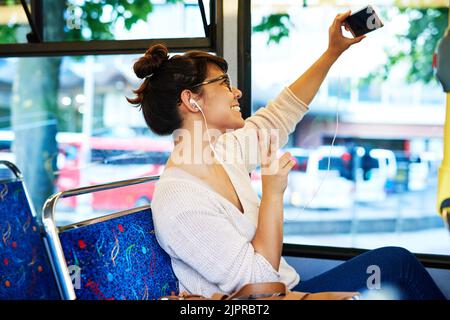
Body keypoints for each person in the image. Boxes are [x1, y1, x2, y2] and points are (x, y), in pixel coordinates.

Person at [127, 11, 446, 300]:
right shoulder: (180, 202)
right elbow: (258, 282)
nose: (236, 92)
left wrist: (332, 52)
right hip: (268, 300)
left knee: (395, 262)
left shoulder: (225, 153)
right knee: (397, 265)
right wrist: (274, 193)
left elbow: (282, 112)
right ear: (191, 100)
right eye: (224, 84)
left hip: (290, 290)